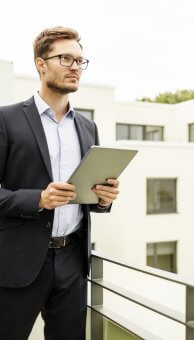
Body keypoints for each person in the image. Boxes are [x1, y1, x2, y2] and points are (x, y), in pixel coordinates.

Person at [0, 26, 120, 340]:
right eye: (66, 58)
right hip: (18, 264)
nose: (75, 67)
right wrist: (38, 199)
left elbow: (88, 194)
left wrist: (103, 198)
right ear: (41, 64)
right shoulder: (6, 120)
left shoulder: (87, 126)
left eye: (80, 61)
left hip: (72, 260)